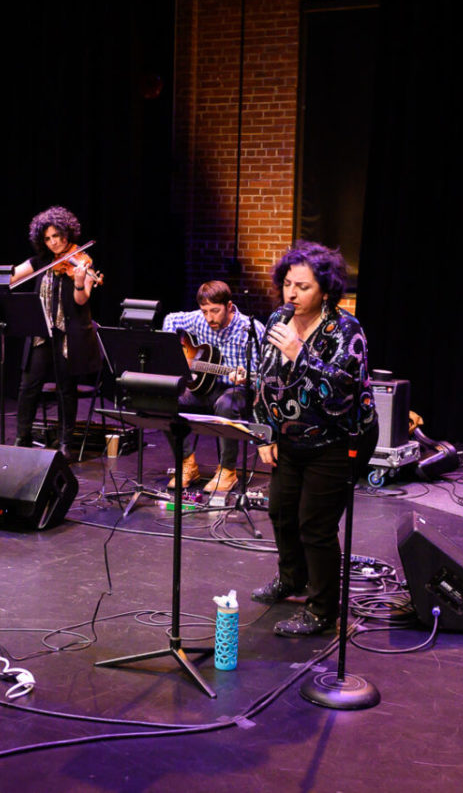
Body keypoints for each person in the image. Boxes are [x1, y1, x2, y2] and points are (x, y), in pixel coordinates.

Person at [250, 241, 370, 637]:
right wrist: (263, 431)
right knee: (281, 512)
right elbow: (264, 380)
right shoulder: (277, 322)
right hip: (289, 439)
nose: (291, 293)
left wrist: (301, 354)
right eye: (287, 284)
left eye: (302, 287)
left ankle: (322, 611)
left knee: (315, 526)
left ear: (325, 290)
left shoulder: (345, 330)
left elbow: (341, 394)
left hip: (335, 441)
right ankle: (292, 579)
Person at [161, 280, 264, 499]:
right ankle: (187, 463)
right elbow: (171, 319)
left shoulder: (250, 330)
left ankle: (228, 471)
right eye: (205, 311)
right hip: (203, 387)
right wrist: (178, 353)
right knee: (165, 395)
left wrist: (244, 379)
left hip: (235, 390)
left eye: (215, 311)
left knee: (226, 404)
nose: (209, 318)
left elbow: (260, 377)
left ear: (229, 306)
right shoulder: (199, 319)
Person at [12, 206, 101, 451]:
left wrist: (81, 281)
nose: (54, 243)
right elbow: (12, 276)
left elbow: (81, 301)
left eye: (58, 236)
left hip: (69, 336)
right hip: (42, 333)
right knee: (28, 385)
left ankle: (66, 443)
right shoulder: (41, 261)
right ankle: (22, 438)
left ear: (67, 234)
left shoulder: (80, 261)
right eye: (48, 238)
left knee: (66, 389)